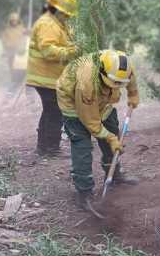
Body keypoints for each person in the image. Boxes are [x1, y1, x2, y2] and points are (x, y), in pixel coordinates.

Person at [56, 49, 140, 210]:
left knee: (112, 135)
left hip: (103, 103)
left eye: (119, 84)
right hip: (74, 104)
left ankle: (114, 176)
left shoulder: (121, 65)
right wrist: (111, 138)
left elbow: (130, 77)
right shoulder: (86, 82)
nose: (117, 86)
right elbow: (91, 122)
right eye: (113, 83)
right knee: (82, 147)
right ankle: (84, 193)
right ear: (102, 72)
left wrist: (133, 93)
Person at [26, 0, 79, 157]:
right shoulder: (47, 24)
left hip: (50, 76)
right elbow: (48, 51)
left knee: (50, 110)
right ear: (56, 9)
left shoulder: (57, 23)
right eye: (65, 14)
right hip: (45, 77)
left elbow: (65, 41)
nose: (68, 17)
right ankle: (50, 149)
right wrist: (72, 52)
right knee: (54, 110)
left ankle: (44, 147)